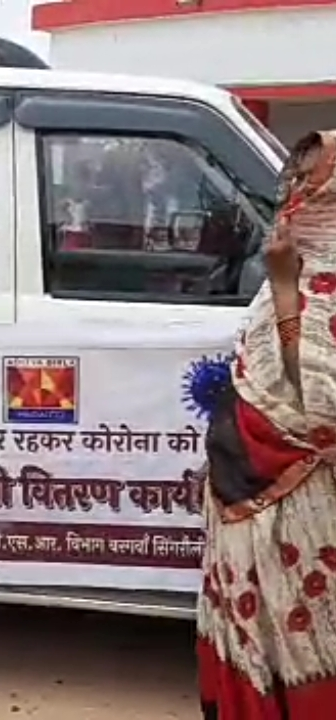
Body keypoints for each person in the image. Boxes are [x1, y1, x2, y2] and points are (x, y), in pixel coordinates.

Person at [197, 129, 336, 718]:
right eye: (294, 179)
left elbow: (318, 409)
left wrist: (284, 288)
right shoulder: (292, 267)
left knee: (307, 640)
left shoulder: (304, 280)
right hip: (243, 491)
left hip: (308, 509)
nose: (296, 193)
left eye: (312, 179)